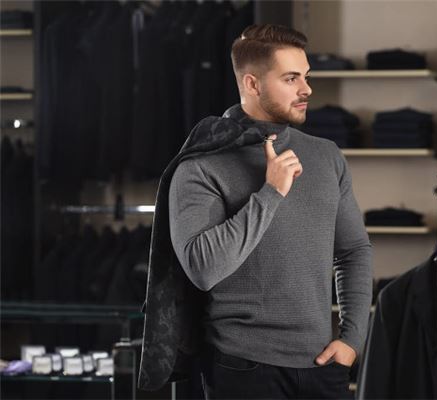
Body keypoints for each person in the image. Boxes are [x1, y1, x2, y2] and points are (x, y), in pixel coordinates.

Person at [141, 23, 372, 399]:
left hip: (323, 368)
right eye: (291, 78)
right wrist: (271, 192)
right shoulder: (202, 165)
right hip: (242, 371)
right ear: (252, 84)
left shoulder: (326, 156)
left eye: (306, 77)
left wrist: (352, 340)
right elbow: (202, 268)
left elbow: (354, 250)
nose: (306, 89)